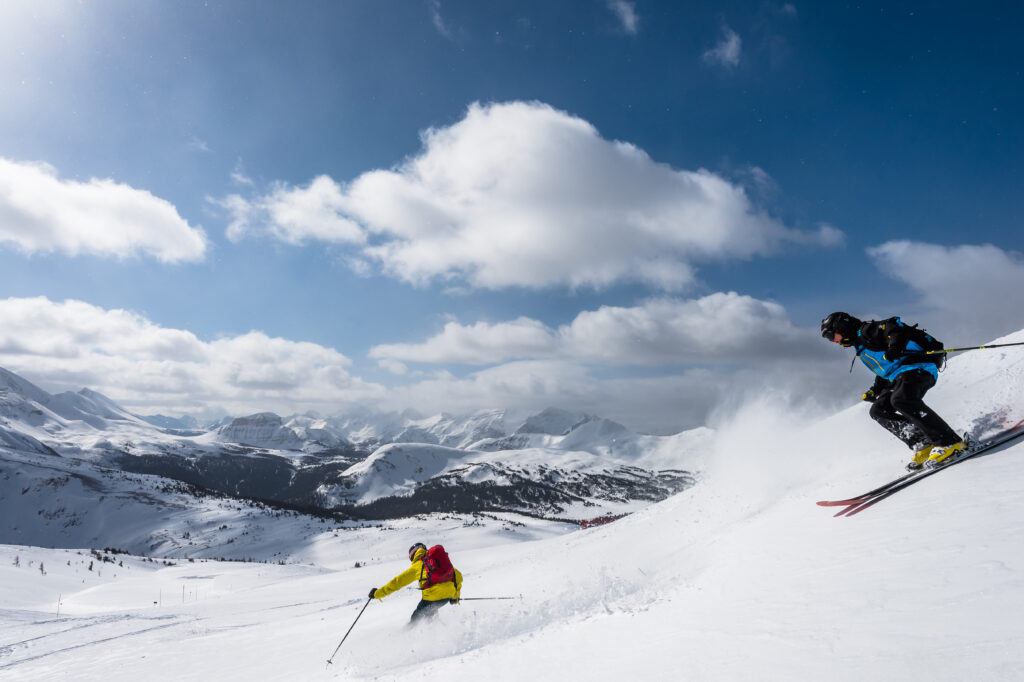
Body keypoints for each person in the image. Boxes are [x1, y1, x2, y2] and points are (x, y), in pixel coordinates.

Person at [820, 312, 966, 470]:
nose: (833, 341)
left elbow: (894, 328)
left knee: (901, 400)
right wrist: (875, 390)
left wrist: (895, 347)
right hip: (900, 375)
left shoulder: (867, 331)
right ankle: (923, 443)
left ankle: (950, 442)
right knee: (878, 410)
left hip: (920, 366)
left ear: (841, 327)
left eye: (830, 336)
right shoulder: (860, 343)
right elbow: (887, 368)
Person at [368, 543, 463, 626]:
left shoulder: (418, 565)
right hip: (446, 598)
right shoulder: (435, 562)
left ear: (412, 556)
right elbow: (457, 576)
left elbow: (397, 582)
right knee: (431, 615)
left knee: (415, 621)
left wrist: (377, 593)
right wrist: (455, 597)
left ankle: (406, 638)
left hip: (431, 599)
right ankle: (442, 633)